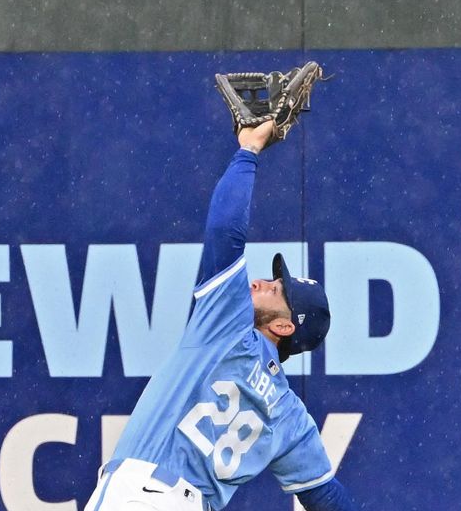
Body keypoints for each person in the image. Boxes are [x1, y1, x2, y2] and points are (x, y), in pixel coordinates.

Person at [85, 120, 356, 511]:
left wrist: (248, 151)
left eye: (277, 290)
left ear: (282, 326)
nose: (262, 282)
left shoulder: (230, 328)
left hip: (139, 496)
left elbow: (225, 230)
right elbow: (327, 498)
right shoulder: (290, 416)